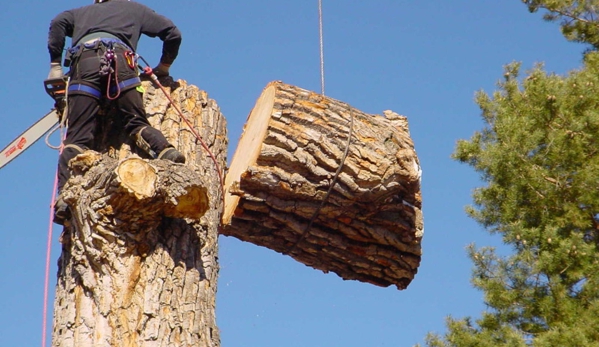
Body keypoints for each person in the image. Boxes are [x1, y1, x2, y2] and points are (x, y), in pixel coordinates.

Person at [47, 0, 185, 225]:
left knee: (78, 136)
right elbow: (173, 34)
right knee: (136, 122)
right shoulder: (134, 9)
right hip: (123, 63)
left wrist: (55, 65)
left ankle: (65, 196)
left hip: (85, 64)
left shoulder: (78, 13)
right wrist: (163, 68)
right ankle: (165, 150)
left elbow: (57, 24)